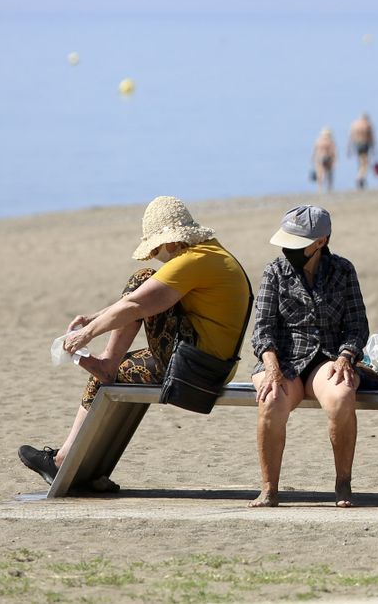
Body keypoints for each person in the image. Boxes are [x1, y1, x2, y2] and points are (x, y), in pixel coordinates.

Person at [18, 196, 251, 489]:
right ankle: (74, 465)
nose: (154, 255)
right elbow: (135, 304)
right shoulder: (210, 253)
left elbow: (135, 306)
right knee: (109, 376)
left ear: (171, 242)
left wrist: (86, 335)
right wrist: (94, 319)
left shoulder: (191, 262)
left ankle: (106, 366)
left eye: (155, 248)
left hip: (196, 371)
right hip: (213, 364)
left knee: (141, 279)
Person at [250, 205, 369, 509]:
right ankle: (269, 488)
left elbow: (357, 327)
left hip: (327, 358)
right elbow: (262, 329)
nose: (288, 249)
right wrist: (272, 367)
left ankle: (343, 482)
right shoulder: (274, 272)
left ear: (321, 242)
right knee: (271, 400)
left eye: (297, 243)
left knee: (342, 396)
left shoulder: (344, 271)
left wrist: (346, 356)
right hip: (281, 360)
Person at [347, 113, 378, 190]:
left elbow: (350, 137)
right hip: (365, 144)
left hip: (357, 145)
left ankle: (361, 180)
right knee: (365, 164)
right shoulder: (368, 125)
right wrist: (374, 149)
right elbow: (372, 137)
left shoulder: (354, 124)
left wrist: (349, 149)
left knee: (361, 163)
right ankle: (360, 178)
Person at [311, 127, 336, 192]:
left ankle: (320, 188)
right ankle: (329, 187)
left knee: (320, 173)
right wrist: (334, 161)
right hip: (327, 157)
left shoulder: (318, 141)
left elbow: (314, 151)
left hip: (319, 158)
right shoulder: (330, 141)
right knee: (329, 173)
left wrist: (312, 159)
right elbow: (333, 152)